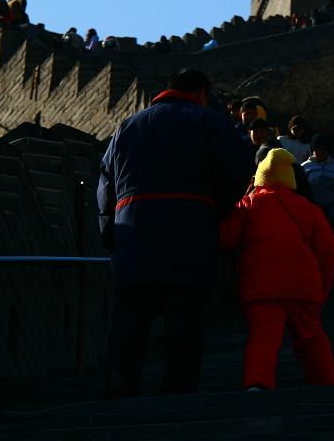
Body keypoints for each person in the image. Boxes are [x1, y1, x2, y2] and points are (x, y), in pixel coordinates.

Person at [97, 68, 251, 397]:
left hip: (134, 236)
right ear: (201, 94)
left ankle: (119, 390)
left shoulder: (127, 126)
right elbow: (238, 171)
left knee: (129, 322)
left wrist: (109, 232)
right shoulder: (210, 122)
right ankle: (178, 397)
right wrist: (213, 211)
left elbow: (105, 186)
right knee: (185, 323)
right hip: (190, 237)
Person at [220, 148, 334, 391]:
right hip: (303, 286)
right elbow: (330, 249)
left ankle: (258, 384)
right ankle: (328, 386)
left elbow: (226, 238)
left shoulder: (249, 204)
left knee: (263, 337)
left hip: (261, 287)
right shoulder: (309, 208)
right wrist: (322, 288)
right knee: (312, 338)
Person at [302, 134, 334, 266]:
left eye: (324, 149)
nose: (321, 152)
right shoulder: (305, 167)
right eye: (318, 149)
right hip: (314, 206)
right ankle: (314, 259)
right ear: (313, 149)